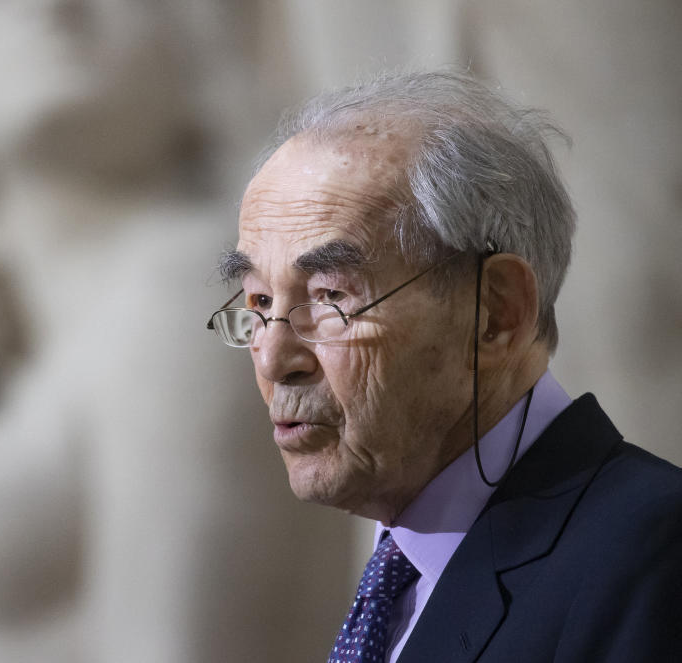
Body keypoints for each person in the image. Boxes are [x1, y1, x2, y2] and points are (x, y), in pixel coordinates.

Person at [207, 69, 682, 662]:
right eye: (259, 302)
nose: (276, 359)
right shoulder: (398, 571)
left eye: (332, 297)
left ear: (495, 313)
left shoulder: (654, 558)